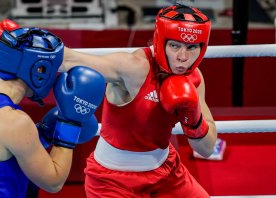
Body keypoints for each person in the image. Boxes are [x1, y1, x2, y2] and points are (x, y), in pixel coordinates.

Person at [60, 4, 217, 197]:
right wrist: (32, 46)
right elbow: (69, 60)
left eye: (191, 47)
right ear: (162, 42)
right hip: (112, 180)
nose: (183, 57)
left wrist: (194, 120)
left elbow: (207, 149)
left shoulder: (194, 79)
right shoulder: (134, 67)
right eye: (175, 46)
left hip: (166, 172)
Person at [0, 19, 106, 197]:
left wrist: (43, 134)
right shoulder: (14, 122)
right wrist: (69, 123)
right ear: (39, 69)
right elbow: (54, 182)